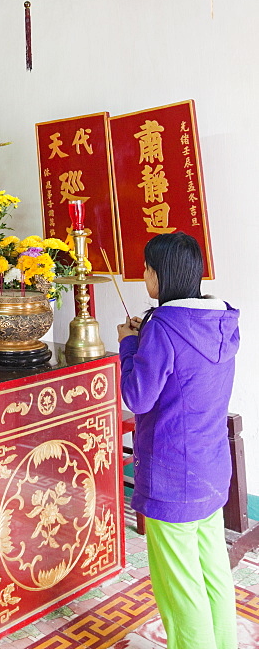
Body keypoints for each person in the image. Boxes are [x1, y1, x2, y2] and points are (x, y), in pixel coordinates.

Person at [118, 232, 239, 649]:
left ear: (161, 275)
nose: (144, 276)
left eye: (147, 269)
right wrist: (144, 337)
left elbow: (138, 396)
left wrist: (129, 344)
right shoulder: (219, 321)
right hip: (210, 469)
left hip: (172, 474)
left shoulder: (163, 329)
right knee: (213, 573)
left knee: (180, 589)